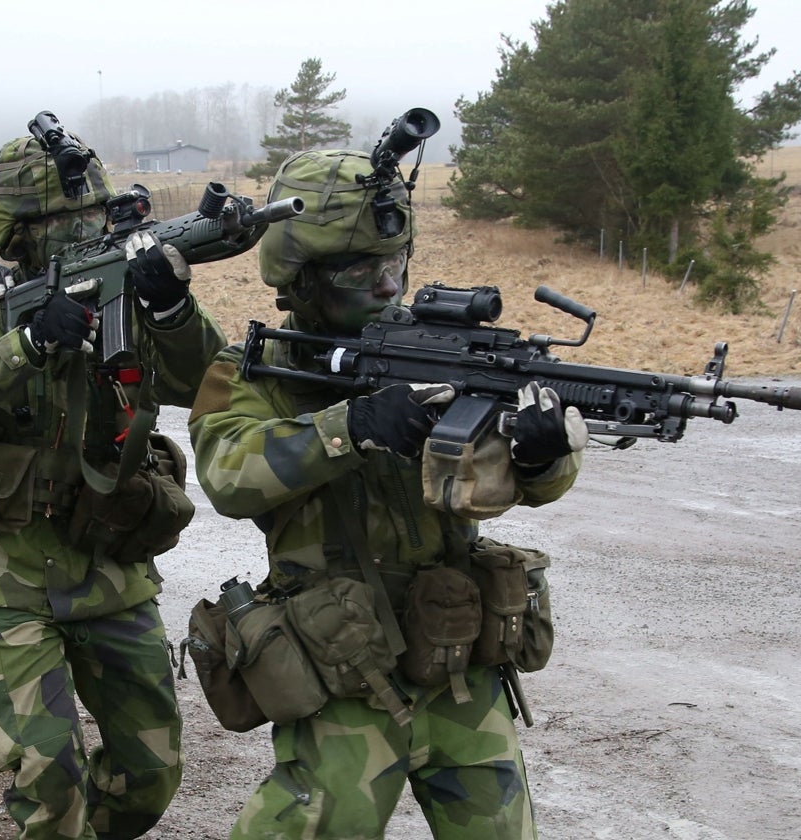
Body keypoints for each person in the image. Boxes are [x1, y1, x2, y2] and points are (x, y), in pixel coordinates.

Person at [188, 148, 587, 839]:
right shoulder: (257, 369)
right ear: (301, 279)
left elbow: (527, 483)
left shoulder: (439, 350)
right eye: (358, 271)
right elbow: (227, 472)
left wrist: (543, 454)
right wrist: (350, 426)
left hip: (456, 650)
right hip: (342, 663)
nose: (385, 287)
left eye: (394, 265)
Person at [0, 131, 226, 839]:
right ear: (19, 231)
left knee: (151, 773)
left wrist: (173, 313)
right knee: (50, 781)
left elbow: (210, 385)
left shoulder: (125, 285)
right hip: (9, 575)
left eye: (89, 216)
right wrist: (23, 347)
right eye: (60, 222)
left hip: (110, 562)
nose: (81, 230)